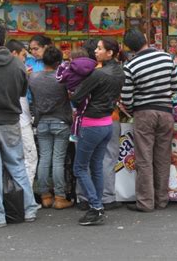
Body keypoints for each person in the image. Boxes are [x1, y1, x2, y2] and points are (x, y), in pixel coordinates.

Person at [121, 28, 177, 212]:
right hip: (166, 112)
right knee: (162, 157)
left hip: (144, 114)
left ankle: (146, 202)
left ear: (129, 47)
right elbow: (174, 87)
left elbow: (127, 97)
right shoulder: (166, 58)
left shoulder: (130, 66)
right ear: (146, 39)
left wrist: (133, 110)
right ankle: (162, 200)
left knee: (144, 159)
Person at [71, 37, 125, 225]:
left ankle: (95, 206)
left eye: (100, 49)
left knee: (79, 167)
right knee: (96, 167)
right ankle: (98, 204)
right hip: (107, 123)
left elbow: (77, 96)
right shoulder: (119, 72)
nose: (96, 51)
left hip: (91, 124)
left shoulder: (99, 74)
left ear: (110, 53)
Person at [0, 19, 39, 228]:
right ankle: (28, 210)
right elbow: (21, 92)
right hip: (11, 122)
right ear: (3, 39)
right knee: (18, 166)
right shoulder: (17, 64)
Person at [29, 46, 73, 210]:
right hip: (61, 121)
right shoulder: (62, 78)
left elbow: (33, 99)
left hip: (42, 122)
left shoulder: (33, 77)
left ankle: (45, 195)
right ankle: (60, 197)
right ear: (58, 62)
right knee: (58, 160)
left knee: (44, 158)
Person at [5, 39, 38, 186]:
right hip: (21, 123)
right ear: (14, 53)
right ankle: (25, 198)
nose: (25, 58)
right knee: (30, 159)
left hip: (5, 123)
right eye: (23, 55)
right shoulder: (18, 71)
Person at [56, 48, 97, 140]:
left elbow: (59, 78)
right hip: (88, 95)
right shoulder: (93, 69)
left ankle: (75, 134)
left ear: (71, 59)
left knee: (77, 115)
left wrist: (61, 67)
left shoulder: (69, 69)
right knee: (81, 114)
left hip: (73, 95)